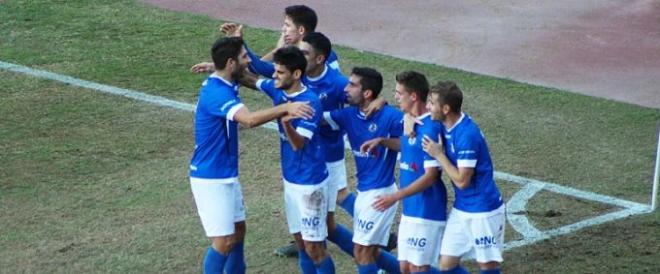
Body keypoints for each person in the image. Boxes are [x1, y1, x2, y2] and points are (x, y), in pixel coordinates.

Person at [189, 37, 314, 274]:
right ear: (230, 63)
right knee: (223, 241)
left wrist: (215, 66)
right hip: (211, 177)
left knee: (238, 232)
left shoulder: (225, 82)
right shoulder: (218, 93)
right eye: (244, 57)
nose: (249, 61)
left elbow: (247, 77)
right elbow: (248, 120)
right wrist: (285, 108)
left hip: (224, 173)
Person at [251, 46, 335, 273]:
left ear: (296, 74)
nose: (274, 76)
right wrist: (218, 67)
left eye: (279, 72)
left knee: (314, 247)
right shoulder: (279, 90)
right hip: (291, 179)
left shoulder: (309, 103)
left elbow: (299, 144)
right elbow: (252, 79)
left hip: (310, 184)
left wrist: (286, 121)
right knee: (300, 242)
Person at [364, 71, 447, 274]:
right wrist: (383, 141)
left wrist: (395, 196)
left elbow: (431, 176)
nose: (396, 97)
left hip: (427, 208)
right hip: (410, 208)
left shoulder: (430, 128)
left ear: (414, 96)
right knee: (405, 267)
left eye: (399, 93)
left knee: (419, 268)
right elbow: (409, 146)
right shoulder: (409, 121)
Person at [323, 67, 403, 274]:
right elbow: (316, 117)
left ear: (367, 93)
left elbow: (413, 141)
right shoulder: (348, 115)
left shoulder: (391, 116)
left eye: (352, 85)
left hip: (380, 193)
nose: (346, 88)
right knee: (373, 253)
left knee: (362, 252)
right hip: (364, 193)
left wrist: (384, 141)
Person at [421, 82, 505, 274]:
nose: (428, 107)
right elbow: (417, 116)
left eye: (432, 103)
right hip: (463, 208)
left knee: (488, 266)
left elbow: (462, 181)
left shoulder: (467, 135)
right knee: (446, 265)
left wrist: (438, 155)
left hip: (484, 209)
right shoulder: (445, 124)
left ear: (446, 108)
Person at [191, 5, 339, 77]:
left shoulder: (305, 57)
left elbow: (263, 69)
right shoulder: (319, 48)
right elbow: (268, 62)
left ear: (301, 30)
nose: (283, 29)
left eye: (287, 25)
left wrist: (239, 41)